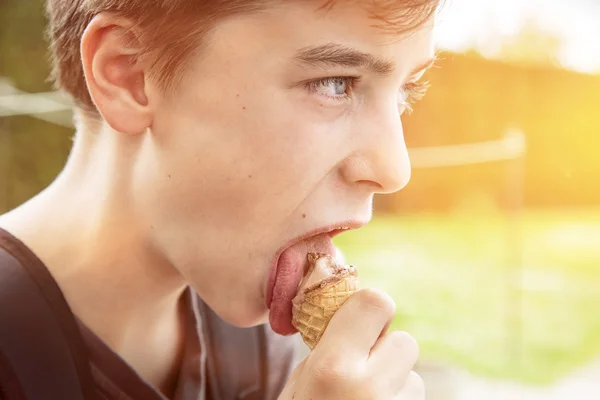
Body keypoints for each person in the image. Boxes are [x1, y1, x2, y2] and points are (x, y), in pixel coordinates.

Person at [0, 0, 442, 399]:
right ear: (130, 73)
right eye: (334, 83)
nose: (394, 170)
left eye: (407, 91)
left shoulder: (267, 354)